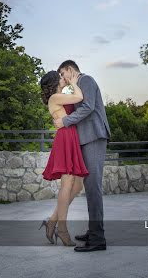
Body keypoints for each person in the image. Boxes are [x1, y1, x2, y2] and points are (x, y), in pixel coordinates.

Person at [54, 60, 111, 252]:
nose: (62, 77)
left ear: (70, 70)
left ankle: (97, 239)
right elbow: (64, 100)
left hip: (94, 135)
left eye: (63, 74)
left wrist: (65, 122)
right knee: (88, 185)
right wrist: (61, 88)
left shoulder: (86, 80)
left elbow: (88, 107)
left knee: (93, 186)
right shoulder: (73, 87)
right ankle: (93, 230)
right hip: (84, 139)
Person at [39, 70, 89, 246]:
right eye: (60, 77)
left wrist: (70, 85)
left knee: (78, 184)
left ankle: (52, 220)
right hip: (65, 139)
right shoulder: (54, 98)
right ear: (54, 82)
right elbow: (79, 97)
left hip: (71, 137)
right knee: (67, 184)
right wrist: (75, 83)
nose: (63, 78)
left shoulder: (60, 95)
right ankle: (62, 229)